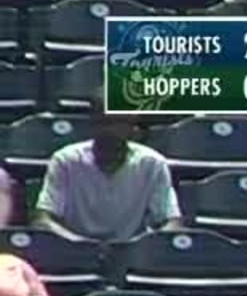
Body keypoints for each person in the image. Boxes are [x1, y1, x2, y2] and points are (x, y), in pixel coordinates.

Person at [31, 97, 182, 242]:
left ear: (133, 127)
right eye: (105, 122)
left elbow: (172, 222)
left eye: (120, 123)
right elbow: (42, 219)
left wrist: (142, 245)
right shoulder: (65, 160)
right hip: (75, 250)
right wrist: (80, 244)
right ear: (92, 124)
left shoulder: (152, 164)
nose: (111, 130)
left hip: (132, 254)